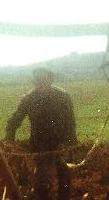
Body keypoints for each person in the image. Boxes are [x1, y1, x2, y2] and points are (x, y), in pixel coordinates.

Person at [5, 68, 77, 200]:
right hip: (40, 144)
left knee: (64, 176)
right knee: (41, 180)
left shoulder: (63, 97)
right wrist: (9, 138)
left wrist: (69, 143)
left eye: (43, 79)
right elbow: (15, 119)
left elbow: (70, 122)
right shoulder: (29, 98)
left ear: (50, 80)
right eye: (37, 80)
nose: (40, 83)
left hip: (61, 143)